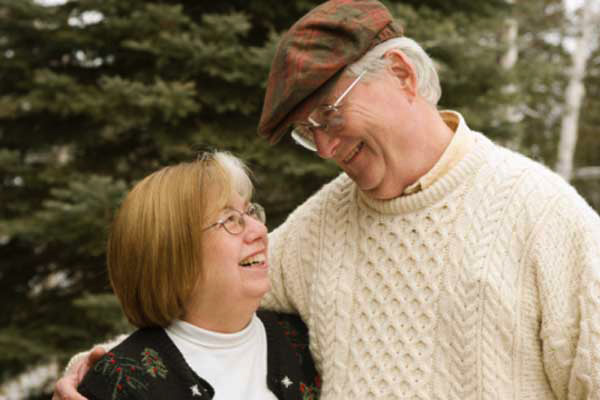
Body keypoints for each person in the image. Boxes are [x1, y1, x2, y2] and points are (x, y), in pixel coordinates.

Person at [55, 0, 600, 399]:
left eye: (329, 115)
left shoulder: (543, 215)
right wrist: (104, 369)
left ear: (402, 75)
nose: (325, 148)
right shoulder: (318, 226)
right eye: (307, 131)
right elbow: (206, 307)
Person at [65, 152, 320, 400]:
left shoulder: (306, 340)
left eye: (250, 212)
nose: (260, 230)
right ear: (173, 254)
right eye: (230, 219)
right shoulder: (119, 384)